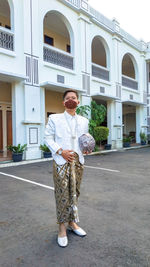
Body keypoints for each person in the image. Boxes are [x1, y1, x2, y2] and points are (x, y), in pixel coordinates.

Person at [45, 89, 91, 247]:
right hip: (61, 162)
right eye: (68, 98)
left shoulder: (84, 120)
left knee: (75, 193)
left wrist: (86, 148)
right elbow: (48, 138)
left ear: (78, 102)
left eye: (74, 98)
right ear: (63, 102)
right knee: (62, 194)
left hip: (78, 162)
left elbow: (84, 139)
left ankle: (72, 223)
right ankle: (62, 228)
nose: (71, 100)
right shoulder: (54, 118)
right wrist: (60, 151)